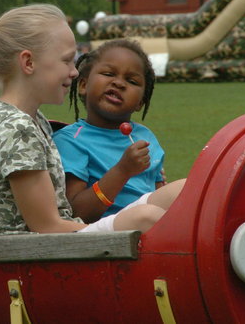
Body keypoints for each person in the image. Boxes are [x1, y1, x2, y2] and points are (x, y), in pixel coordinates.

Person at [0, 4, 170, 237]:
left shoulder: (28, 119)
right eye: (67, 60)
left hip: (49, 244)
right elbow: (47, 226)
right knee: (145, 218)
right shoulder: (16, 129)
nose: (75, 72)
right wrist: (119, 229)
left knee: (177, 193)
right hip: (30, 252)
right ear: (28, 63)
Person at [53, 39, 185, 224]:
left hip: (150, 222)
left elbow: (157, 191)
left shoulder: (145, 137)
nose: (119, 83)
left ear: (140, 102)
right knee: (146, 214)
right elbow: (77, 213)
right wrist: (122, 171)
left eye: (131, 81)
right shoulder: (70, 141)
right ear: (83, 85)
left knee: (186, 188)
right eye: (108, 74)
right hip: (107, 230)